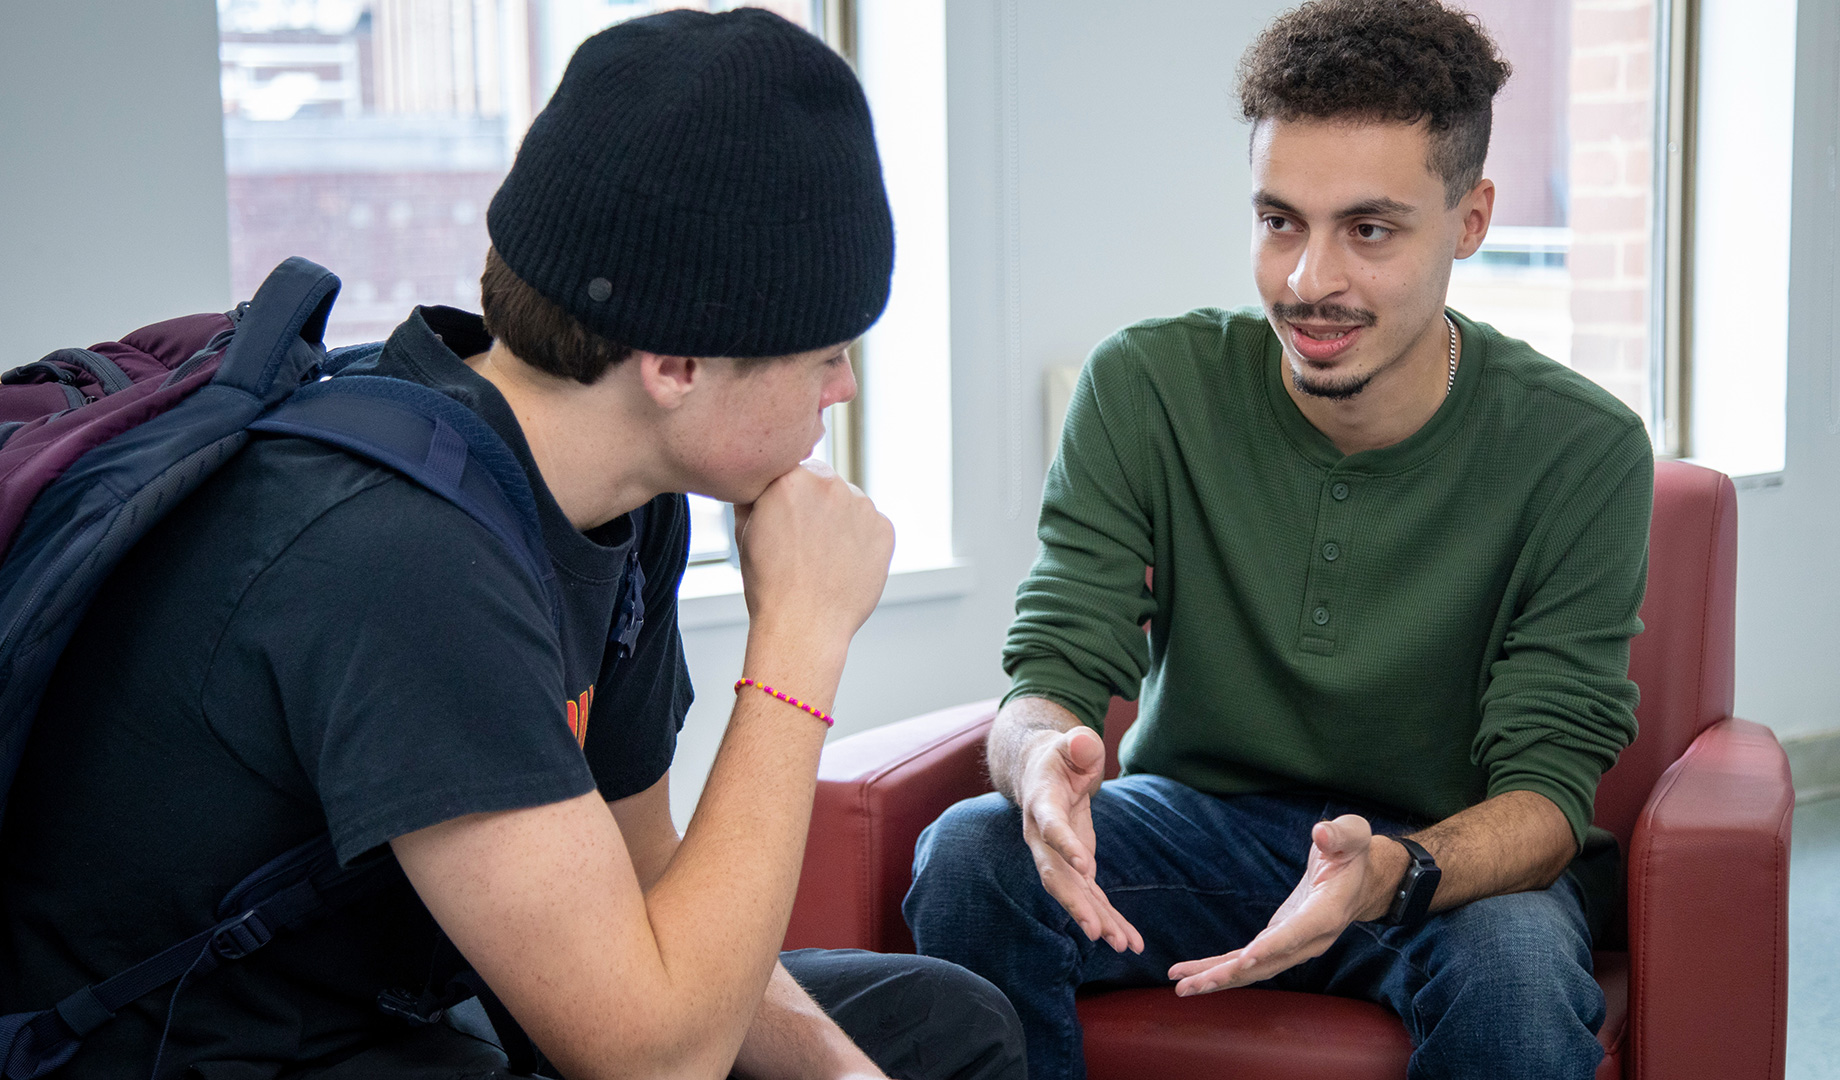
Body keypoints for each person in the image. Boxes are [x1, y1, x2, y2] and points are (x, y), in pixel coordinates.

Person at [0, 10, 1024, 1080]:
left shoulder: (626, 504)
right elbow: (648, 1059)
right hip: (200, 1052)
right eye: (822, 355)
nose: (845, 388)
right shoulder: (397, 554)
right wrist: (802, 637)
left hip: (405, 999)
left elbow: (643, 889)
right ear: (673, 363)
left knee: (943, 1029)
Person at [904, 1, 1652, 1078]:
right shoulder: (1146, 386)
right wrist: (1037, 765)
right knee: (974, 853)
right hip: (1198, 831)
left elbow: (1544, 799)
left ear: (1472, 218)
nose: (1308, 282)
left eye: (1370, 229)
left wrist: (1394, 867)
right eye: (1279, 221)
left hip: (1440, 863)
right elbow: (1054, 663)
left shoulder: (1582, 449)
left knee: (1517, 974)